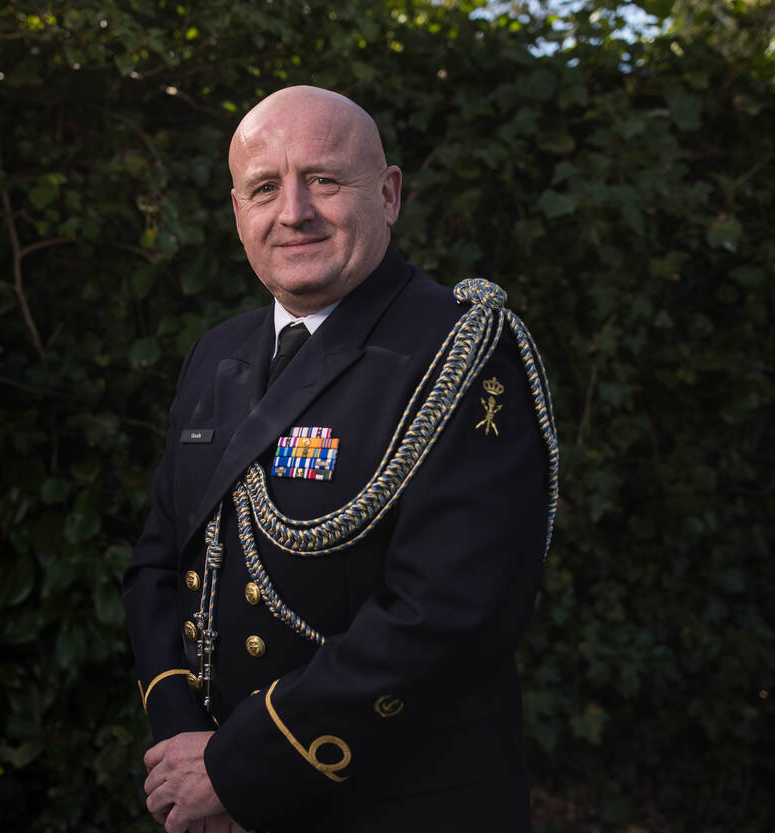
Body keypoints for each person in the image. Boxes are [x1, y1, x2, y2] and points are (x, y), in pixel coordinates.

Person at [123, 85, 558, 833]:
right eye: (264, 188)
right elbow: (158, 566)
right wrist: (184, 746)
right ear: (237, 211)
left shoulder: (462, 351)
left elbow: (448, 615)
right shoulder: (218, 353)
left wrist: (238, 768)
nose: (293, 212)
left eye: (323, 179)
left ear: (388, 195)